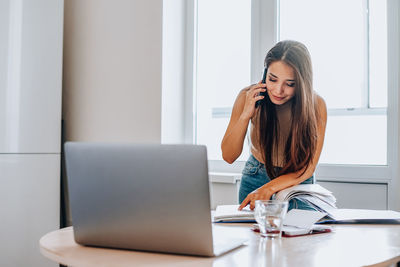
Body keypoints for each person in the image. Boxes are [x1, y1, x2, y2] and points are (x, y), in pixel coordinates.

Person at [221, 40, 327, 211]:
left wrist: (269, 189)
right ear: (265, 74)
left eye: (290, 84)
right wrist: (246, 115)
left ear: (302, 82)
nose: (278, 90)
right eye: (273, 79)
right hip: (256, 176)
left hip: (297, 181)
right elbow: (228, 156)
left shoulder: (316, 105)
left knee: (301, 236)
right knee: (253, 237)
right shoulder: (247, 96)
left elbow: (308, 167)